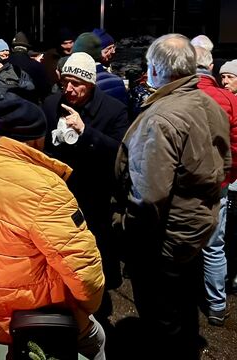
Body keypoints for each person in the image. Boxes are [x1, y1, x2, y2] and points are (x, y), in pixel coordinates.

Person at [0, 88, 106, 359]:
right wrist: (84, 309)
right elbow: (83, 271)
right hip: (29, 324)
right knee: (96, 338)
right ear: (37, 140)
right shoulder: (45, 188)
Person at [113, 34, 230, 359]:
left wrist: (126, 231)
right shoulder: (209, 104)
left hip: (162, 242)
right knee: (184, 313)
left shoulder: (160, 118)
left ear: (156, 69)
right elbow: (224, 163)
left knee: (162, 325)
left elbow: (148, 197)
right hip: (193, 231)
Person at [42, 52, 129, 291]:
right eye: (65, 82)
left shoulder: (114, 110)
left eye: (76, 84)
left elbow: (120, 151)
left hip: (95, 191)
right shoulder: (52, 103)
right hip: (58, 190)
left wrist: (85, 131)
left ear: (90, 84)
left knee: (96, 244)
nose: (68, 89)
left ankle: (102, 287)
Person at [194, 43, 237, 326]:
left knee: (181, 240)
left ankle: (180, 300)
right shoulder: (230, 100)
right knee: (214, 245)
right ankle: (217, 306)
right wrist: (229, 177)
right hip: (218, 182)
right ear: (211, 68)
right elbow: (235, 145)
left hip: (184, 182)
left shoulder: (177, 95)